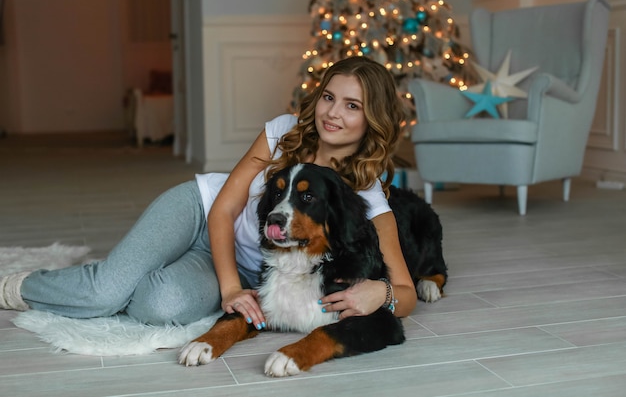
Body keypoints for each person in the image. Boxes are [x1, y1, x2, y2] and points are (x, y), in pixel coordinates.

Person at [0, 56, 418, 329]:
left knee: (157, 307)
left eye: (351, 105)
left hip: (250, 266)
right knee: (104, 292)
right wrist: (230, 290)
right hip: (199, 212)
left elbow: (405, 293)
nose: (332, 113)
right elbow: (224, 209)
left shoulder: (365, 194)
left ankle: (125, 270)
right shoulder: (283, 131)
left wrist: (379, 293)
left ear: (372, 119)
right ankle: (19, 285)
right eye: (329, 97)